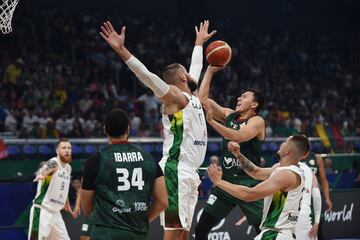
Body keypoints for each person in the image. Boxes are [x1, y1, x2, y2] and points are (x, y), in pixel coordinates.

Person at [100, 20, 216, 240]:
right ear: (182, 77)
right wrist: (122, 51)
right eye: (187, 73)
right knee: (172, 233)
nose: (192, 73)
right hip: (175, 170)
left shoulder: (191, 97)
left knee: (183, 234)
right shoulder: (176, 97)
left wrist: (199, 43)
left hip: (190, 171)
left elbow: (196, 68)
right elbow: (147, 77)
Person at [195, 66, 266, 239]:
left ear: (254, 104)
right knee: (201, 230)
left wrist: (212, 122)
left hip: (249, 183)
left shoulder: (257, 121)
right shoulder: (230, 115)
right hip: (225, 182)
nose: (239, 98)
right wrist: (210, 70)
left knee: (263, 232)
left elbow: (240, 136)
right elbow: (202, 100)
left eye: (244, 96)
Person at [80, 108, 168, 240]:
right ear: (128, 129)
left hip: (105, 233)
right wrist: (140, 220)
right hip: (137, 233)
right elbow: (163, 202)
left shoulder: (96, 160)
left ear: (105, 129)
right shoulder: (149, 159)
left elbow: (86, 208)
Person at [207, 135, 310, 240]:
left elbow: (249, 195)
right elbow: (256, 172)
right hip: (278, 233)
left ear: (288, 150)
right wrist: (237, 154)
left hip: (276, 234)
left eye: (285, 142)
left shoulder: (287, 175)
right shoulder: (283, 169)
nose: (282, 143)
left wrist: (219, 182)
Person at [28, 139, 76, 240]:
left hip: (56, 213)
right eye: (63, 148)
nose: (67, 150)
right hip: (42, 211)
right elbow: (46, 169)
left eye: (69, 148)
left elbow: (63, 187)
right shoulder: (54, 162)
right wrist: (42, 175)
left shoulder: (68, 168)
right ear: (57, 151)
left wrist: (66, 202)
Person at [296, 162, 322, 240]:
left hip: (285, 216)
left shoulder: (278, 168)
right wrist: (316, 222)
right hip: (303, 215)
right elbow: (317, 196)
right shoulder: (308, 170)